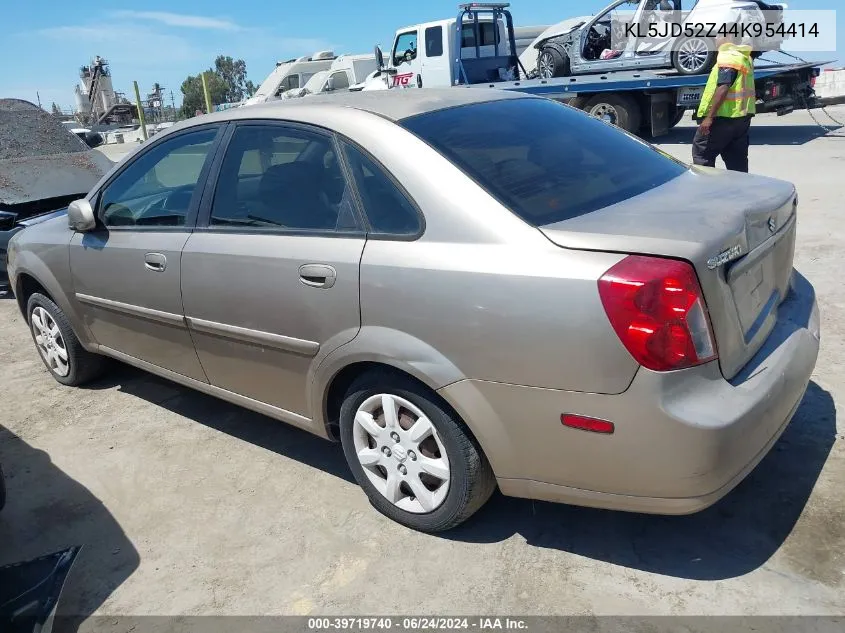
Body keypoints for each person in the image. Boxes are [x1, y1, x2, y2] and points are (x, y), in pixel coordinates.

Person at [692, 34, 756, 173]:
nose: (715, 39)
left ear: (729, 37)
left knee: (702, 154)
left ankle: (707, 191)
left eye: (718, 35)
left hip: (723, 117)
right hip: (741, 118)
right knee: (737, 161)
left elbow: (723, 87)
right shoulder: (745, 58)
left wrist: (709, 117)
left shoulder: (728, 57)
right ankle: (739, 191)